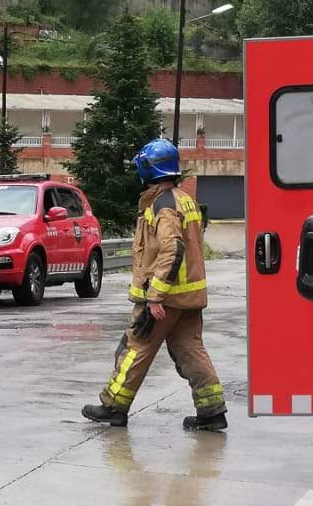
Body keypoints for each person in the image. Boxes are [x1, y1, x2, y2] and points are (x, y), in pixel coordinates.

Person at [81, 136, 227, 432]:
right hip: (188, 297)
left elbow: (172, 248)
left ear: (152, 170)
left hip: (166, 297)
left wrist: (156, 296)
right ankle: (212, 411)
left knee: (135, 348)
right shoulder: (184, 199)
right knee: (190, 350)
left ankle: (114, 406)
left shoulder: (163, 203)